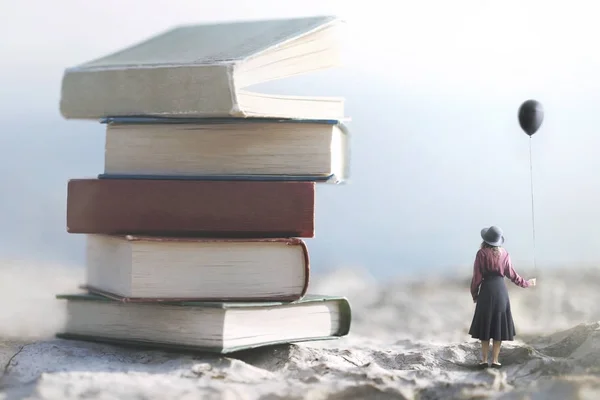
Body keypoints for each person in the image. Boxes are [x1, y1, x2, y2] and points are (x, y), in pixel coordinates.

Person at [468, 225, 536, 369]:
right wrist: (527, 283)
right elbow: (512, 275)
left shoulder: (481, 254)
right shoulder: (505, 254)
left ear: (485, 240)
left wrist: (475, 294)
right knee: (498, 325)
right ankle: (496, 360)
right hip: (501, 292)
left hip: (486, 291)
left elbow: (477, 278)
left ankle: (484, 360)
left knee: (486, 326)